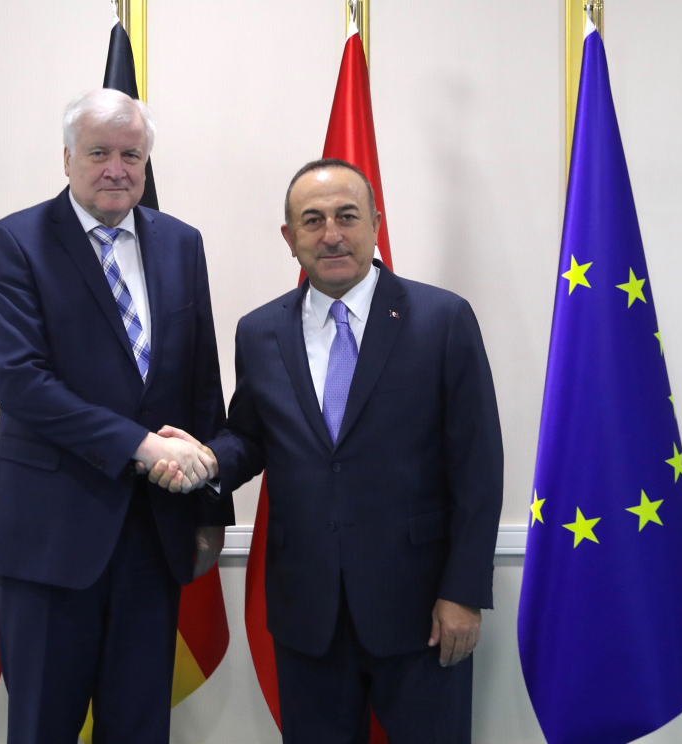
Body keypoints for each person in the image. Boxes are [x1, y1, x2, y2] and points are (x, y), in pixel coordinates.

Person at [153, 159, 503, 743]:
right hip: (307, 611)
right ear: (290, 239)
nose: (331, 234)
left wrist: (463, 592)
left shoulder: (442, 319)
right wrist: (209, 459)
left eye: (347, 216)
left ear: (375, 224)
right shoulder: (260, 331)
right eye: (312, 221)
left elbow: (478, 467)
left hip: (421, 609)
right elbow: (252, 436)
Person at [0, 88, 230, 744]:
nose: (117, 168)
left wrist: (207, 511)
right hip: (50, 538)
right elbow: (23, 384)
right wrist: (142, 446)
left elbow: (200, 381)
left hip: (155, 537)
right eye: (99, 153)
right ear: (66, 159)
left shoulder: (181, 243)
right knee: (42, 727)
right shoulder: (15, 242)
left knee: (140, 727)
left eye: (131, 155)